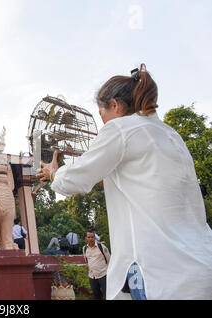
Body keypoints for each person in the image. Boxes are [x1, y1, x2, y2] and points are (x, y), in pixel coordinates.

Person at [37, 64, 212, 300]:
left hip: (159, 273)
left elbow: (74, 179)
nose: (103, 124)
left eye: (102, 115)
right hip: (201, 263)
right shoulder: (171, 135)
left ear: (115, 106)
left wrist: (54, 174)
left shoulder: (120, 129)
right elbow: (138, 183)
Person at [82, 231, 110, 300]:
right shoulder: (84, 248)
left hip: (103, 274)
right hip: (92, 276)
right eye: (89, 237)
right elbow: (87, 261)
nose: (90, 239)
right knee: (96, 295)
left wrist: (109, 272)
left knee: (107, 295)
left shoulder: (101, 247)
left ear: (95, 238)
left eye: (92, 237)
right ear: (86, 238)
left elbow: (109, 259)